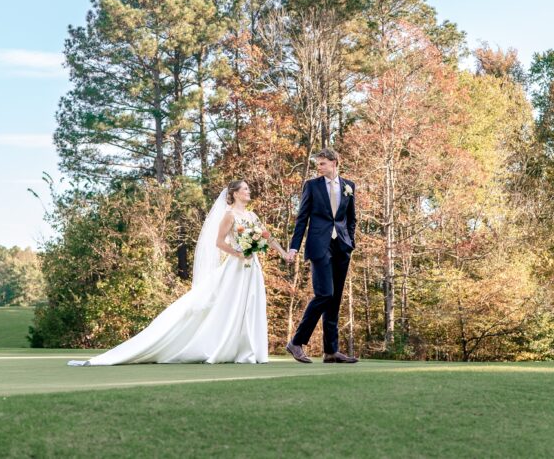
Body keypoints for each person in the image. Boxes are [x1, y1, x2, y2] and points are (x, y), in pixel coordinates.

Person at [67, 180, 289, 365]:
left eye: (249, 189)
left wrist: (283, 253)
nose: (249, 192)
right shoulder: (229, 215)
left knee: (251, 305)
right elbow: (219, 242)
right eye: (245, 189)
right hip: (237, 266)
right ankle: (221, 345)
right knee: (230, 305)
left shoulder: (251, 216)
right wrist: (238, 253)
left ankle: (249, 349)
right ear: (234, 193)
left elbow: (267, 237)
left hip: (253, 267)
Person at [284, 148, 359, 364]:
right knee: (324, 294)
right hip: (319, 245)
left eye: (323, 163)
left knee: (334, 299)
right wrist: (294, 247)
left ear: (334, 162)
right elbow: (302, 219)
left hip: (342, 246)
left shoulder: (349, 186)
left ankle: (331, 351)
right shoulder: (312, 186)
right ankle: (296, 341)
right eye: (318, 163)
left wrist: (350, 241)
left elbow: (351, 217)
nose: (319, 167)